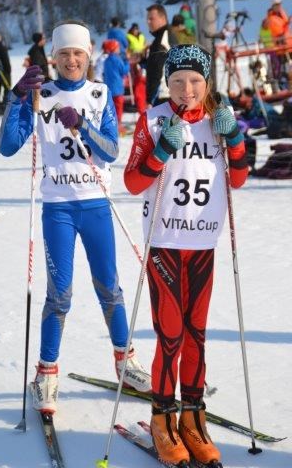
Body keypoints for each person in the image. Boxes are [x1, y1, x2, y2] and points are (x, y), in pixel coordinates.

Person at [0, 20, 151, 414]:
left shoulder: (99, 94)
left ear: (87, 57)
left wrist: (81, 123)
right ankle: (46, 372)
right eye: (64, 53)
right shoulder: (41, 94)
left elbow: (110, 151)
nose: (71, 60)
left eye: (77, 53)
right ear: (54, 57)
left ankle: (125, 361)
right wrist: (17, 98)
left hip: (95, 204)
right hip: (58, 208)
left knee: (109, 287)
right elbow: (8, 146)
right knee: (60, 294)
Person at [124, 44, 248, 466]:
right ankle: (162, 419)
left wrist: (233, 138)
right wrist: (159, 152)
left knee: (196, 335)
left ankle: (194, 419)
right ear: (167, 83)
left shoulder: (218, 120)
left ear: (207, 82)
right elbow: (132, 182)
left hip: (203, 246)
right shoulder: (153, 119)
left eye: (196, 81)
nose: (187, 89)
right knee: (171, 336)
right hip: (165, 245)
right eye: (178, 81)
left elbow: (241, 177)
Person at [145, 4, 178, 107]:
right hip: (166, 95)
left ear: (162, 18)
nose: (148, 22)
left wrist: (150, 99)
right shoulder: (162, 37)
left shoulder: (163, 38)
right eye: (147, 19)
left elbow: (157, 69)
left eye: (151, 19)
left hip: (163, 96)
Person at [103, 39, 130, 135]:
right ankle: (118, 127)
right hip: (118, 89)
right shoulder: (117, 59)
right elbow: (124, 71)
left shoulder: (106, 60)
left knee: (110, 108)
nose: (119, 49)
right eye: (117, 47)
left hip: (109, 88)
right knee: (118, 108)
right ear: (114, 49)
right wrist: (127, 61)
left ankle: (112, 126)